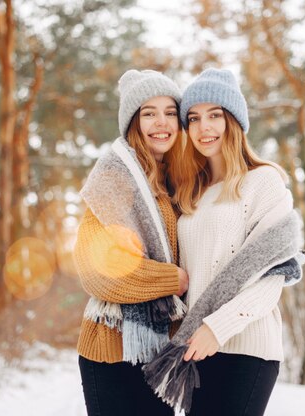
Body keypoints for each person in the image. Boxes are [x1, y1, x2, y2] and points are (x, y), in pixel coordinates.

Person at [145, 68, 305, 415]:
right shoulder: (191, 192)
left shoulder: (263, 182)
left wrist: (218, 328)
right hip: (196, 346)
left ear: (233, 120)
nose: (205, 128)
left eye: (215, 115)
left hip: (245, 347)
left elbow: (272, 277)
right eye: (195, 118)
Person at [74, 69, 189, 416]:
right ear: (133, 123)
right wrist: (175, 280)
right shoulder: (115, 177)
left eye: (170, 112)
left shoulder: (181, 182)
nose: (161, 122)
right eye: (148, 113)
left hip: (165, 352)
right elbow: (96, 272)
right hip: (111, 350)